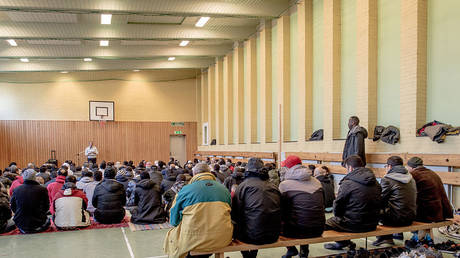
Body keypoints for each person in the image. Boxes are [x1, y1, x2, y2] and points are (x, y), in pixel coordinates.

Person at [164, 163, 233, 258]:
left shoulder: (185, 190)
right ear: (209, 173)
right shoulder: (224, 190)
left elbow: (174, 220)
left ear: (194, 173)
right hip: (222, 238)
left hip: (194, 240)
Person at [324, 155, 381, 250]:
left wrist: (338, 217)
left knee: (326, 224)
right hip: (373, 223)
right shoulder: (376, 182)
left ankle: (343, 243)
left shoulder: (347, 183)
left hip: (354, 224)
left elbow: (338, 205)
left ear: (350, 167)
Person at [232, 158, 282, 258]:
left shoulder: (243, 186)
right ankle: (253, 255)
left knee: (236, 221)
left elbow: (235, 212)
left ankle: (247, 256)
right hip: (273, 234)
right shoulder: (273, 186)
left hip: (251, 236)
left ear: (247, 170)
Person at [279, 156, 325, 258]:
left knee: (282, 217)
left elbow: (281, 210)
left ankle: (291, 248)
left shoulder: (284, 185)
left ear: (288, 168)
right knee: (305, 214)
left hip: (297, 230)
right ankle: (304, 252)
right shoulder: (317, 182)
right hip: (319, 228)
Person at [372, 156, 417, 246]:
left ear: (390, 166)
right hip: (411, 216)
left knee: (373, 208)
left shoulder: (387, 179)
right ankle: (388, 236)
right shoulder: (411, 178)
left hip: (395, 219)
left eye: (386, 166)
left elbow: (380, 199)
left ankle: (384, 237)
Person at [407, 157, 453, 241]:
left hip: (427, 214)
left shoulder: (413, 175)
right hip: (440, 212)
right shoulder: (432, 173)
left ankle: (418, 238)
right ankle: (427, 238)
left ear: (411, 167)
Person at [10, 169, 50, 234]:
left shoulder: (17, 189)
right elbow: (46, 207)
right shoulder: (42, 189)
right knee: (48, 220)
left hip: (21, 223)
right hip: (38, 222)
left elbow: (13, 206)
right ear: (35, 178)